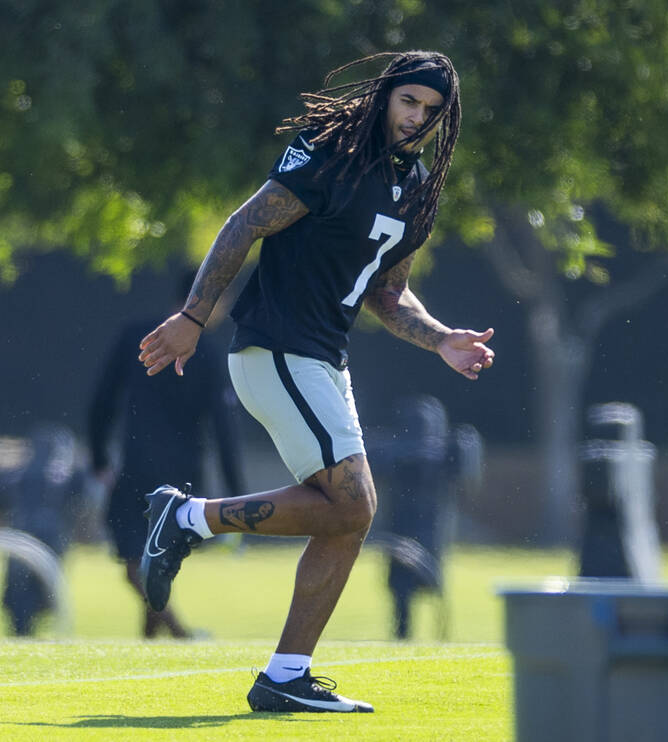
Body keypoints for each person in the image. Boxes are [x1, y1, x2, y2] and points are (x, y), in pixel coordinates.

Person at [134, 50, 495, 713]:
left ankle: (285, 676)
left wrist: (442, 338)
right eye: (408, 101)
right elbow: (245, 223)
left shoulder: (417, 187)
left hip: (324, 360)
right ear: (386, 94)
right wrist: (194, 316)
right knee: (356, 503)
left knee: (346, 518)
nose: (417, 118)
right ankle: (186, 517)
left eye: (431, 111)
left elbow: (389, 296)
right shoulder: (329, 152)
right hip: (276, 349)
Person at [88, 270, 245, 639]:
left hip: (134, 470)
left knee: (144, 562)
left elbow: (100, 405)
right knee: (144, 565)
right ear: (211, 299)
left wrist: (99, 460)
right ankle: (180, 634)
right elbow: (225, 430)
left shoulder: (136, 336)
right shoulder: (208, 352)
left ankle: (154, 640)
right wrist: (237, 493)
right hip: (182, 480)